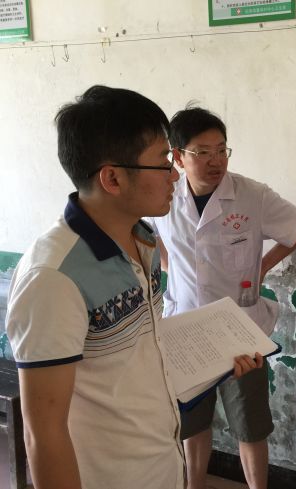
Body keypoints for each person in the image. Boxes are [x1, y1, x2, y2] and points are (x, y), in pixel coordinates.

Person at [5, 86, 262, 489]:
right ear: (112, 178)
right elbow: (44, 435)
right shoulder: (52, 279)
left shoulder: (142, 240)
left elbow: (143, 353)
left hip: (162, 463)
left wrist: (218, 358)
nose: (174, 175)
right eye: (162, 162)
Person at [150, 106, 296, 489]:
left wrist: (263, 267)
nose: (216, 161)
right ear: (178, 157)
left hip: (240, 330)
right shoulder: (163, 197)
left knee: (249, 424)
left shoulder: (251, 195)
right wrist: (171, 267)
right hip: (186, 327)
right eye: (203, 152)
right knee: (193, 423)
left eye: (221, 150)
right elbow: (148, 234)